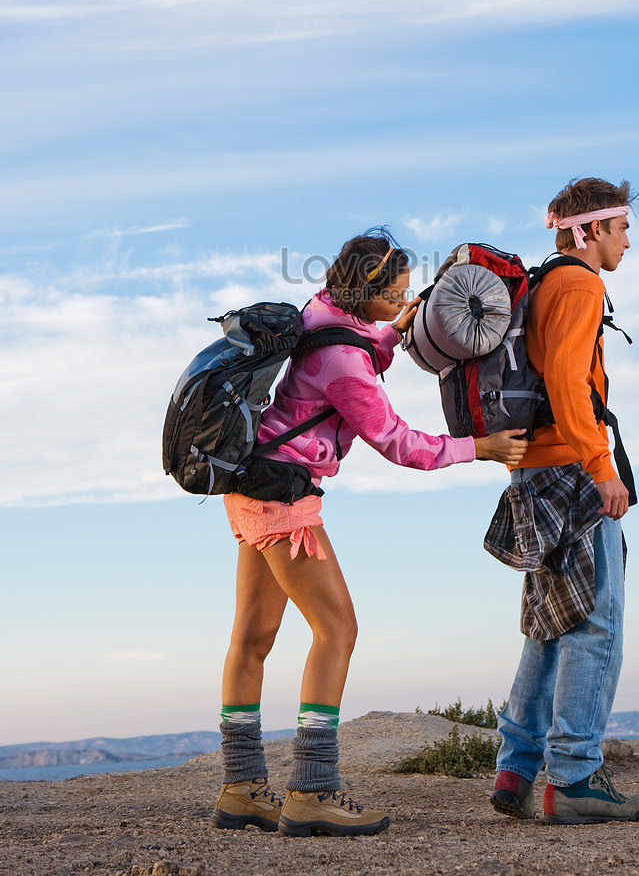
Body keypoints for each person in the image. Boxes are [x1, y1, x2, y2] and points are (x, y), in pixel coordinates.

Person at [212, 230, 528, 838]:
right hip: (286, 498)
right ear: (368, 291)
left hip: (249, 485)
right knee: (338, 630)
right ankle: (312, 790)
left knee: (251, 639)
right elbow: (397, 442)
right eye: (399, 294)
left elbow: (347, 347)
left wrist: (393, 327)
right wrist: (478, 448)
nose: (406, 301)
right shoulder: (346, 362)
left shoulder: (319, 313)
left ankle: (241, 788)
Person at [491, 178, 639, 825]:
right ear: (589, 231)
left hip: (530, 472)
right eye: (622, 228)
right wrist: (601, 467)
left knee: (551, 619)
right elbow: (565, 378)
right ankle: (576, 777)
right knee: (597, 619)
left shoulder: (543, 282)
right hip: (571, 472)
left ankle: (517, 766)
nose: (628, 240)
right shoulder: (582, 284)